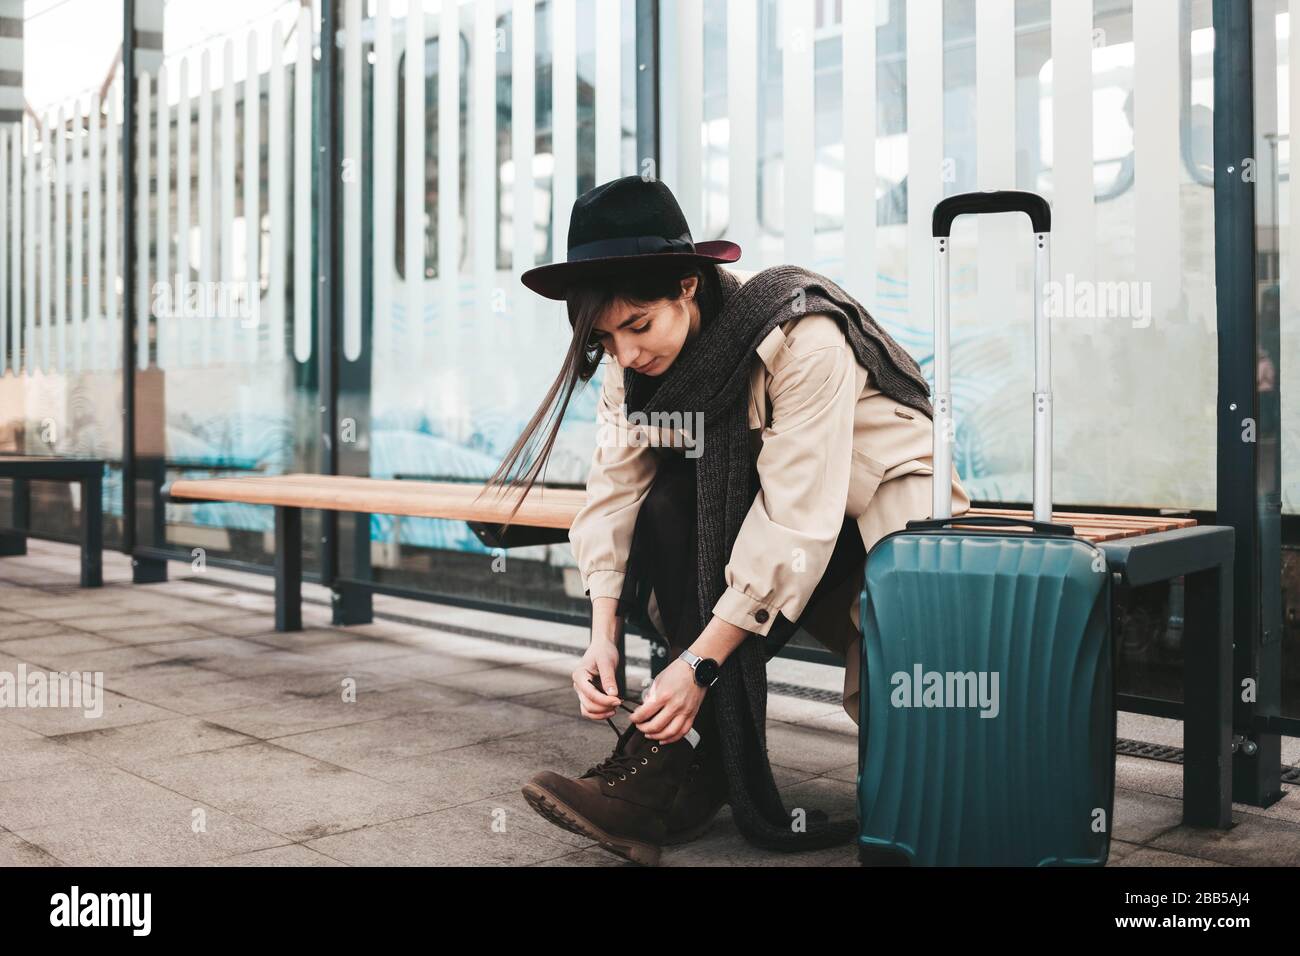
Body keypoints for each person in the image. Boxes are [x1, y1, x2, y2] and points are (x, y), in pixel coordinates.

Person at [482, 175, 971, 866]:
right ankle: (675, 768)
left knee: (911, 777)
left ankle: (661, 774)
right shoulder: (636, 366)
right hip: (778, 531)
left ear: (687, 285)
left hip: (870, 531)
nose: (624, 354)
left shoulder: (802, 335)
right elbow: (614, 490)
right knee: (675, 501)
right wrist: (602, 632)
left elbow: (795, 519)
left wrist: (698, 664)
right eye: (604, 338)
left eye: (638, 326)